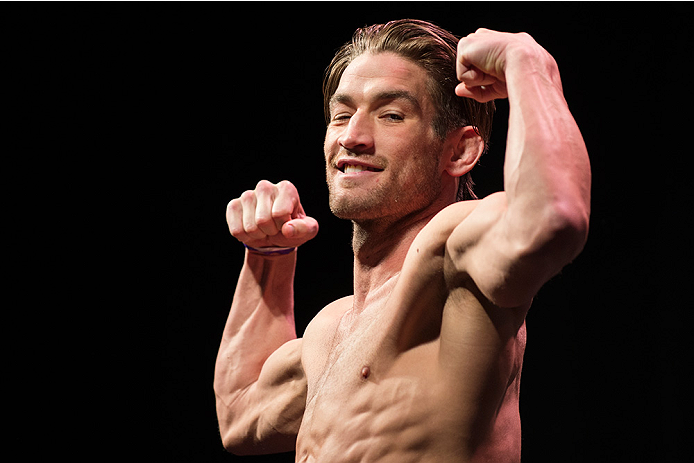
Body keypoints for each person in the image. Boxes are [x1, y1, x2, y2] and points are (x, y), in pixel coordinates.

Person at [214, 19, 590, 462]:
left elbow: (553, 214)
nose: (352, 136)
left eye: (391, 115)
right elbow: (240, 413)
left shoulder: (451, 256)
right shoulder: (331, 329)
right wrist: (268, 253)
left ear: (460, 151)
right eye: (341, 114)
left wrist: (529, 64)